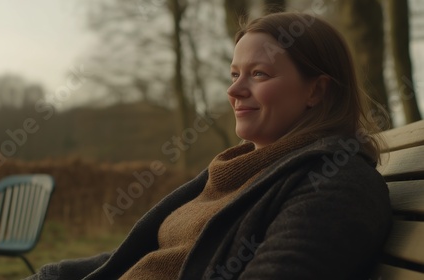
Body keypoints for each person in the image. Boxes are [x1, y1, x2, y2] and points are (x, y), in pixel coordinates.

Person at [25, 12, 391, 280]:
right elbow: (153, 258)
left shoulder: (335, 183)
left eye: (258, 74)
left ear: (317, 90)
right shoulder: (239, 169)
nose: (233, 91)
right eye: (234, 74)